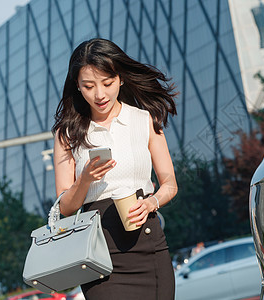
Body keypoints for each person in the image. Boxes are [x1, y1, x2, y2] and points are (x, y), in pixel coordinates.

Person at [52, 38, 178, 300]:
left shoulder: (145, 120)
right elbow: (65, 207)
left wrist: (152, 202)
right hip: (99, 254)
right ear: (77, 85)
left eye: (107, 83)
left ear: (120, 78)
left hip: (147, 243)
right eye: (89, 86)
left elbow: (169, 184)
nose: (100, 94)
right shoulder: (67, 134)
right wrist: (84, 180)